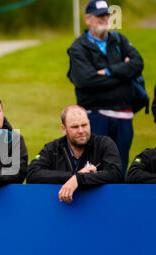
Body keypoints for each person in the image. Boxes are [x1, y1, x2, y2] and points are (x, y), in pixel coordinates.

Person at [67, 0, 144, 177]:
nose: (104, 18)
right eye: (99, 15)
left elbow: (138, 64)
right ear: (88, 19)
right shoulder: (78, 47)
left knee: (120, 166)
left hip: (124, 115)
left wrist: (108, 71)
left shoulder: (119, 40)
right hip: (96, 117)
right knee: (95, 166)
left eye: (106, 15)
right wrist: (124, 75)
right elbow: (86, 81)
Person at [26, 105, 122, 203]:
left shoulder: (104, 144)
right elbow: (32, 174)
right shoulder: (53, 148)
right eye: (75, 127)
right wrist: (74, 176)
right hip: (61, 208)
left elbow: (115, 174)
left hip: (99, 206)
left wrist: (79, 179)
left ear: (89, 124)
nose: (81, 131)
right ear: (64, 129)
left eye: (84, 125)